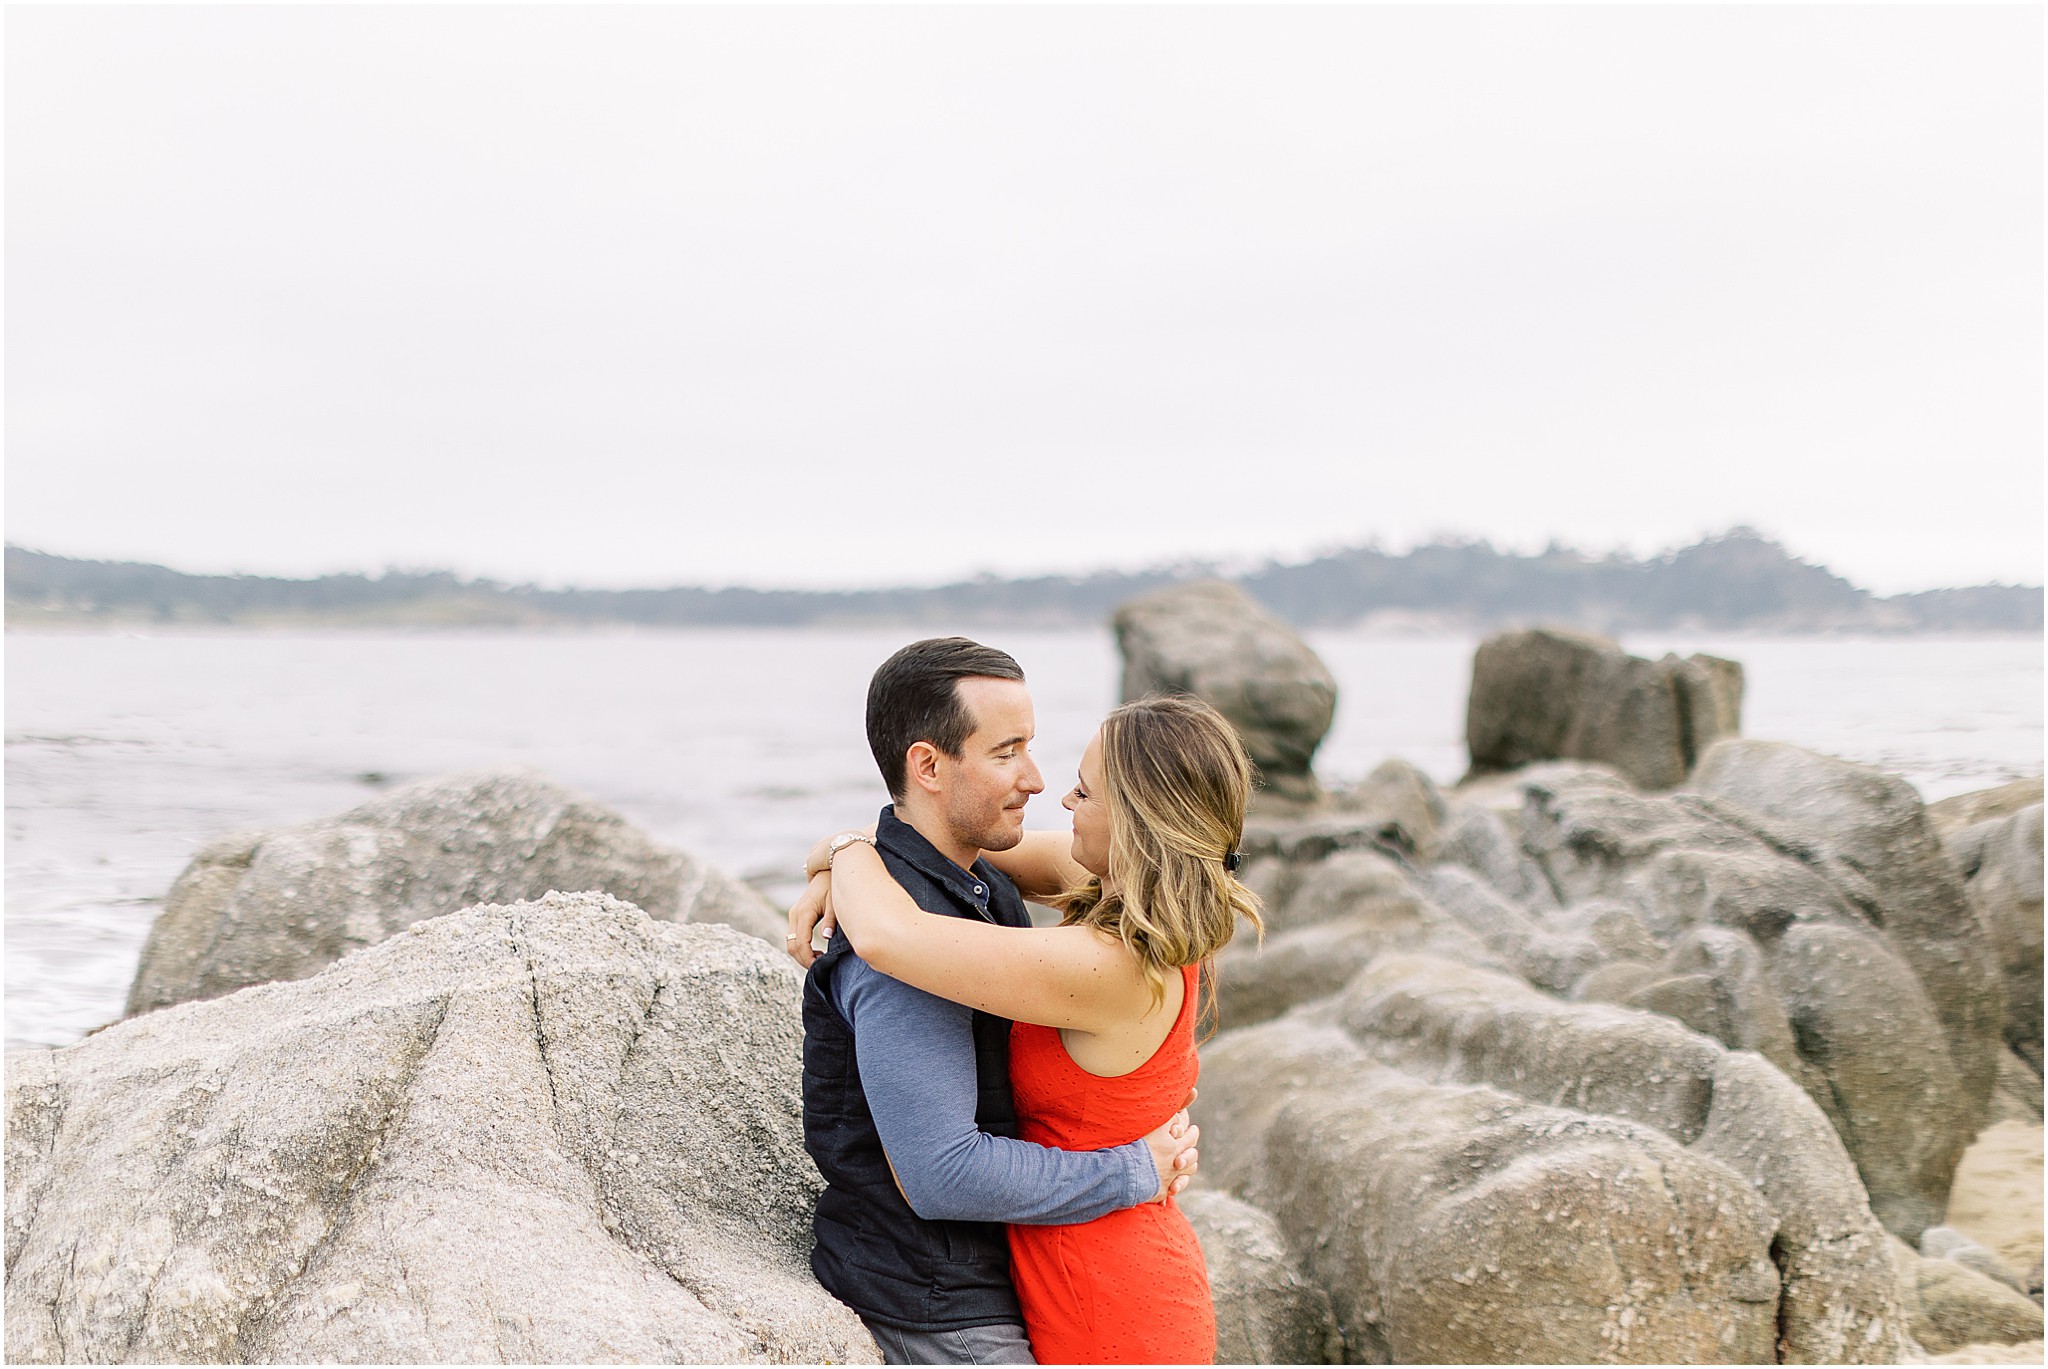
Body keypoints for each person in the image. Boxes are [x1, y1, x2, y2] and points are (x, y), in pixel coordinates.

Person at [790, 662, 1260, 1365]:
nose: (1055, 793)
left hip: (1110, 1297)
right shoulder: (1137, 898)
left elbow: (892, 937)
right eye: (1013, 752)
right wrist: (843, 855)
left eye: (1085, 790)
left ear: (1133, 822)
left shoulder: (1109, 962)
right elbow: (950, 848)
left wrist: (848, 848)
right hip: (1076, 1267)